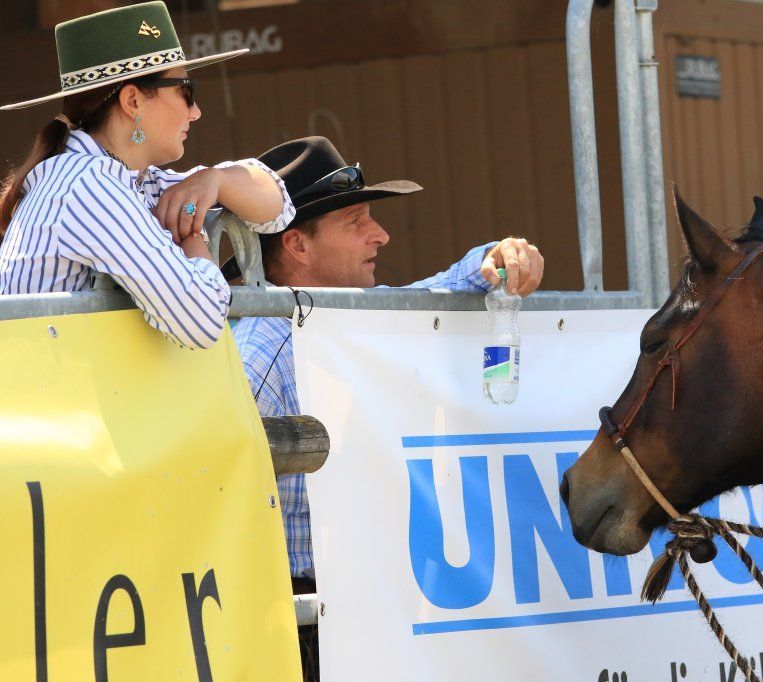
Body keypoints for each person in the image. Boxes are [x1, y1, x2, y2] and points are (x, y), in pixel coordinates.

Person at [230, 136, 543, 677]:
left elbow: (432, 292)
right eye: (355, 222)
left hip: (342, 617)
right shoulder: (267, 352)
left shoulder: (336, 324)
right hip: (302, 633)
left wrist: (493, 260)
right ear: (297, 245)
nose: (380, 234)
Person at [0, 1, 294, 349]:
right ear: (133, 102)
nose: (196, 112)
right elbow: (201, 318)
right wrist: (192, 235)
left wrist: (215, 179)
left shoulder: (128, 179)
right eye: (186, 91)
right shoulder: (88, 184)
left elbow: (278, 208)